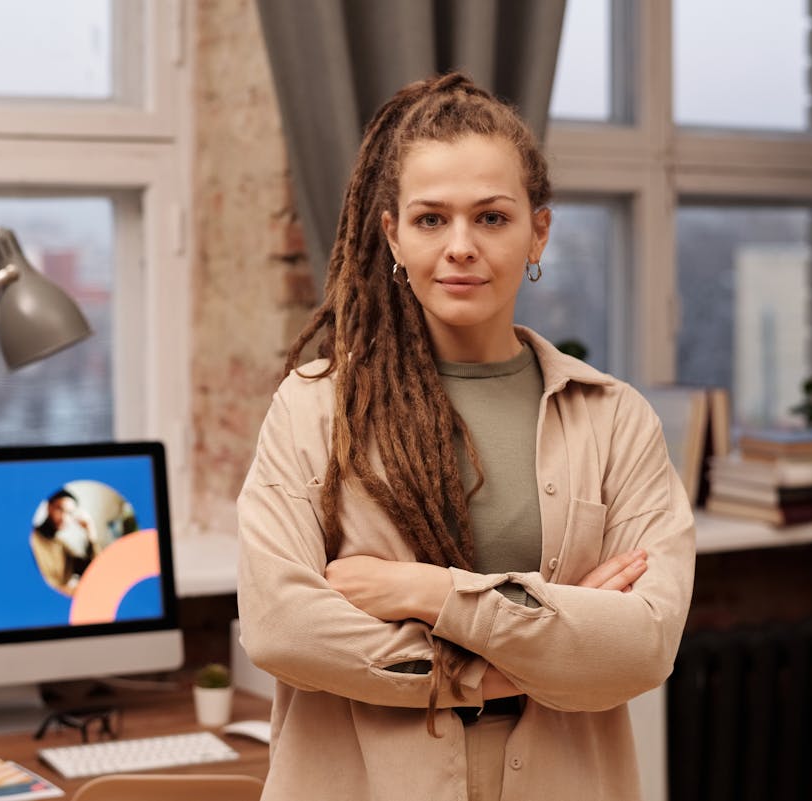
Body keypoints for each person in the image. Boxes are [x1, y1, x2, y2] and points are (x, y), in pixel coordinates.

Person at [236, 72, 695, 801]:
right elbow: (280, 624)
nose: (460, 246)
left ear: (537, 230)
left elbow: (642, 644)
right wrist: (511, 659)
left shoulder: (615, 419)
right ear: (391, 232)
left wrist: (427, 591)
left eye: (490, 217)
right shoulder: (316, 407)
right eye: (430, 219)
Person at [30, 488, 100, 594]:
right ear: (49, 507)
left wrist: (91, 533)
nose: (64, 517)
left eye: (70, 513)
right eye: (60, 509)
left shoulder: (61, 545)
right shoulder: (32, 538)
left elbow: (92, 569)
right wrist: (69, 591)